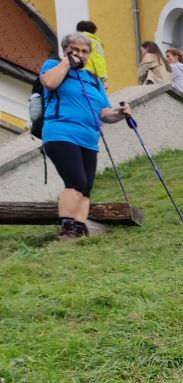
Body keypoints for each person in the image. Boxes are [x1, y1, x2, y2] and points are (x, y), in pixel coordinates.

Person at [39, 32, 132, 241]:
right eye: (75, 50)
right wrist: (67, 62)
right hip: (61, 132)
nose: (80, 54)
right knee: (76, 180)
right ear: (65, 50)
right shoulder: (53, 66)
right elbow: (50, 83)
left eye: (84, 51)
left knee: (86, 186)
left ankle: (79, 228)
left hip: (89, 139)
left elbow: (105, 113)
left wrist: (121, 113)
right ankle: (67, 228)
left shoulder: (94, 81)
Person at [76, 19, 107, 86]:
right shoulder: (94, 42)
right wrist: (103, 79)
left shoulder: (74, 41)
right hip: (91, 75)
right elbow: (99, 61)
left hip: (77, 74)